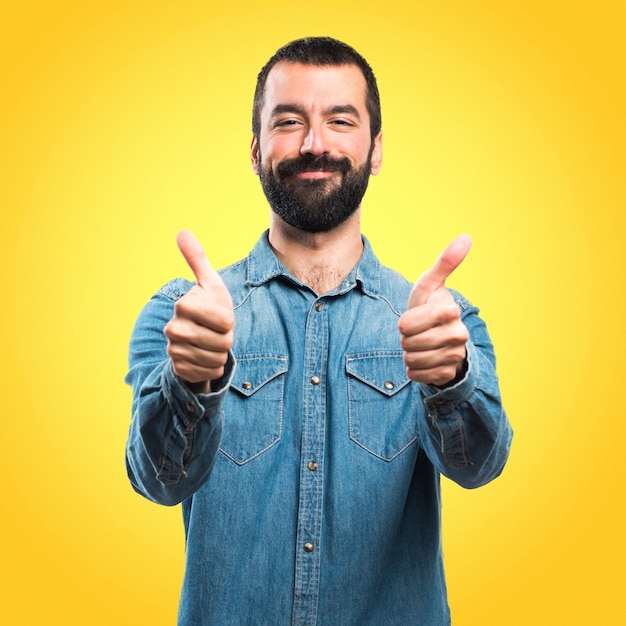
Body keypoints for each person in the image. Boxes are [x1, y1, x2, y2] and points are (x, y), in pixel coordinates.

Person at [125, 36, 513, 625]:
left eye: (339, 119)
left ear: (375, 149)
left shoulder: (442, 320)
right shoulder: (184, 315)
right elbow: (159, 481)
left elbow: (480, 466)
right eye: (288, 121)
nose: (314, 143)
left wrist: (453, 380)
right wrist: (190, 382)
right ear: (255, 149)